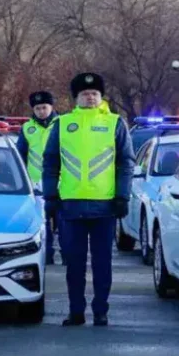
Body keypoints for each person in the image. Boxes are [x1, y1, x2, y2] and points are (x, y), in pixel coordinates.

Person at [42, 73, 135, 327]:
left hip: (105, 206)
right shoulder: (62, 124)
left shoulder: (115, 123)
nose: (91, 97)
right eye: (85, 94)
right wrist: (50, 195)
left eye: (94, 93)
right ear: (76, 98)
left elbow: (126, 163)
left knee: (102, 263)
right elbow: (50, 163)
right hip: (71, 205)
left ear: (101, 96)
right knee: (74, 264)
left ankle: (101, 311)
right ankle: (76, 311)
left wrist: (122, 196)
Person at [16, 91, 59, 264]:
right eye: (37, 108)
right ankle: (47, 256)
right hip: (36, 185)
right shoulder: (27, 128)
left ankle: (68, 256)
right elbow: (21, 155)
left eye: (44, 107)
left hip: (62, 182)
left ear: (51, 107)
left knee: (63, 223)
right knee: (42, 223)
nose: (41, 111)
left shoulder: (62, 125)